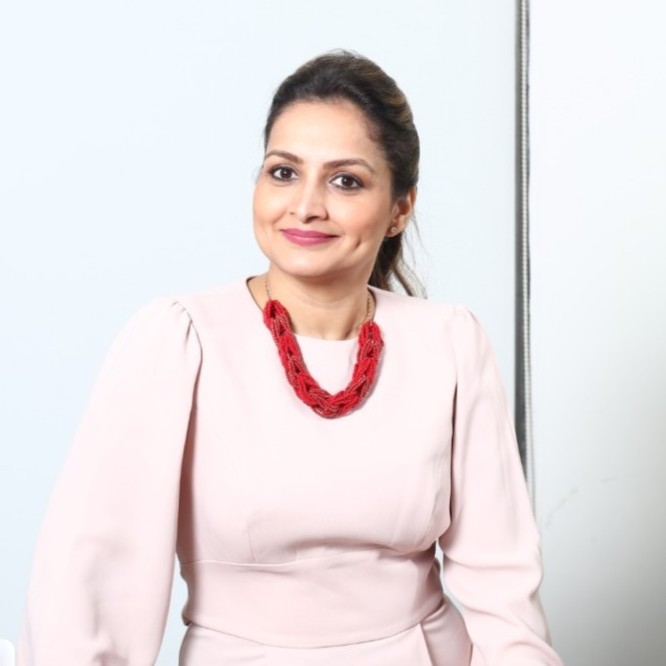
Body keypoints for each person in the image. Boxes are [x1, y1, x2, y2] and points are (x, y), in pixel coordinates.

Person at [17, 51, 563, 665]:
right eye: (283, 172)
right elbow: (92, 581)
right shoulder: (180, 340)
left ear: (400, 208)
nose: (305, 206)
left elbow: (503, 587)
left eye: (345, 181)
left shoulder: (450, 341)